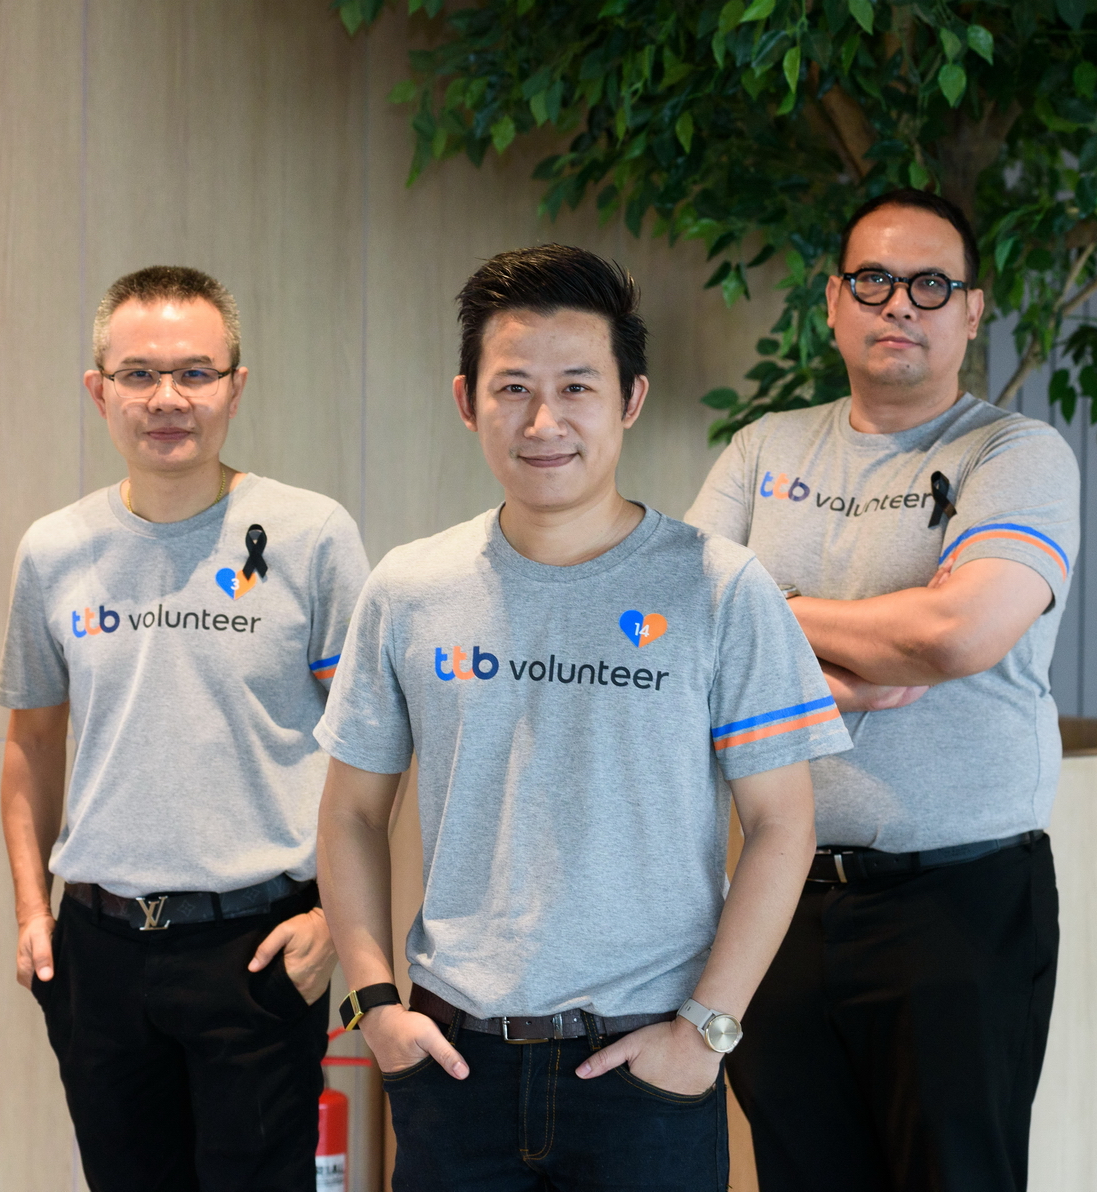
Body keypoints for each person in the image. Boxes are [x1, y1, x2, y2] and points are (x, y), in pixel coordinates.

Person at [315, 244, 849, 1190]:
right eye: (512, 388)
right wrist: (373, 1006)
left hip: (644, 1069)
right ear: (466, 399)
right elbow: (352, 811)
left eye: (575, 387)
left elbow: (782, 823)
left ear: (630, 398)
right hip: (452, 1061)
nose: (543, 421)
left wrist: (706, 1030)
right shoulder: (409, 588)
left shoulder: (719, 586)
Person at [684, 188, 1081, 1192]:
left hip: (958, 902)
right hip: (778, 896)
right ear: (832, 302)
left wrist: (767, 611)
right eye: (872, 280)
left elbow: (956, 633)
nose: (898, 302)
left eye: (930, 284)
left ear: (971, 311)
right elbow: (679, 620)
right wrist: (851, 650)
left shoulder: (1013, 454)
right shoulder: (764, 449)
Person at [0, 265, 371, 1191]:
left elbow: (374, 751)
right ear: (100, 391)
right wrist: (34, 912)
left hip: (257, 944)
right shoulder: (54, 549)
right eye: (139, 374)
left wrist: (333, 919)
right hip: (97, 951)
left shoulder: (309, 535)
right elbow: (32, 741)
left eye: (195, 372)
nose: (167, 398)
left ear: (235, 387)